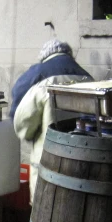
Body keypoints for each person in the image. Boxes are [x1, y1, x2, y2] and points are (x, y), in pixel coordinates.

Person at [12, 39, 92, 201]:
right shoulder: (88, 77)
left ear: (45, 56)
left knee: (46, 212)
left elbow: (22, 124)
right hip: (82, 164)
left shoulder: (37, 76)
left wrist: (30, 134)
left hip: (48, 163)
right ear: (68, 55)